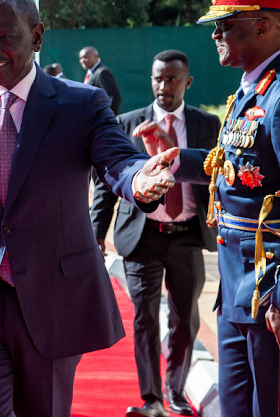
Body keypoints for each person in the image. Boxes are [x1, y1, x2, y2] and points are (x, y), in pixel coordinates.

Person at [0, 0, 181, 416]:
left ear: (36, 36)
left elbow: (117, 160)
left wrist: (139, 176)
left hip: (53, 302)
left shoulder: (81, 103)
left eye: (3, 37)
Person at [134, 0, 280, 417]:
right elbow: (237, 165)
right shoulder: (252, 88)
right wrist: (175, 159)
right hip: (236, 288)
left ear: (263, 27)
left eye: (225, 24)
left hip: (270, 292)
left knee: (273, 407)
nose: (214, 35)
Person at [90, 49, 221, 417]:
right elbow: (106, 184)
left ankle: (175, 391)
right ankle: (152, 399)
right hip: (142, 235)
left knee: (185, 317)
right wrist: (96, 231)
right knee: (145, 316)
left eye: (172, 79)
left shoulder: (206, 124)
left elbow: (217, 178)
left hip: (187, 236)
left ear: (188, 82)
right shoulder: (128, 123)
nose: (164, 86)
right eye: (157, 78)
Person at [80, 46, 121, 114]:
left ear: (96, 57)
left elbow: (113, 98)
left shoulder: (102, 73)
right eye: (81, 58)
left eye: (86, 57)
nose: (83, 60)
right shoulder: (91, 73)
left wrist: (107, 118)